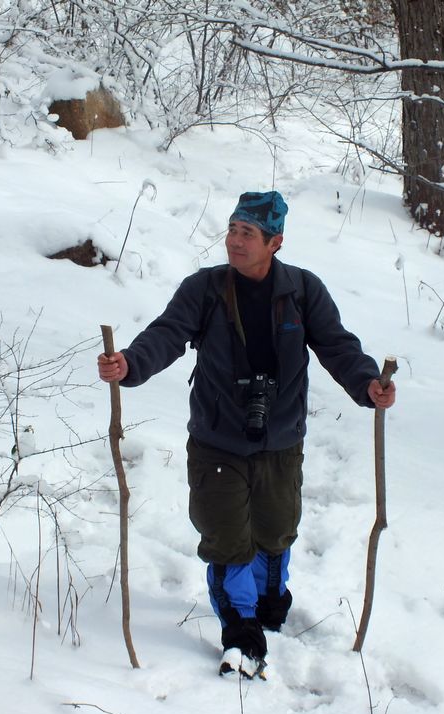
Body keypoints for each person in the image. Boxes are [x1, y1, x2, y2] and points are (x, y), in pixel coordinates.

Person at [98, 190, 396, 677]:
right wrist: (130, 363)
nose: (235, 242)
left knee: (275, 532)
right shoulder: (206, 289)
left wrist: (368, 385)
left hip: (280, 440)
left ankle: (268, 602)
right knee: (228, 539)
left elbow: (338, 346)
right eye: (232, 230)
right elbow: (168, 333)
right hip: (218, 438)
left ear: (275, 241)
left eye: (248, 234)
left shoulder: (302, 291)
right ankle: (240, 631)